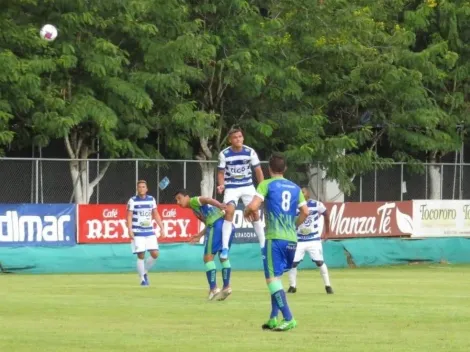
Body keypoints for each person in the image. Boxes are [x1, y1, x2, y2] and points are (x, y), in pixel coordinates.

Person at [244, 153, 309, 332]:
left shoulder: (266, 184)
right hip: (291, 240)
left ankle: (289, 318)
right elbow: (305, 212)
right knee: (278, 279)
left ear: (269, 169)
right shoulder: (296, 187)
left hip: (274, 238)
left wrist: (246, 211)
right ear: (285, 168)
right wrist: (293, 225)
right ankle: (273, 318)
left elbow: (254, 205)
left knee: (271, 279)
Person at [174, 189, 235, 301]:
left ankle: (214, 289)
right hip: (227, 226)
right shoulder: (194, 210)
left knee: (207, 258)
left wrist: (219, 205)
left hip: (217, 226)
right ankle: (226, 287)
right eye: (176, 200)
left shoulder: (193, 201)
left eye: (179, 198)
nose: (178, 202)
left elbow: (206, 199)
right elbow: (208, 221)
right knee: (223, 257)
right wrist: (200, 235)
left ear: (186, 196)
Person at [217, 127, 265, 259]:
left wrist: (262, 189)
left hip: (247, 186)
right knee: (229, 211)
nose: (238, 139)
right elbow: (220, 173)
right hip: (231, 187)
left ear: (243, 138)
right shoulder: (224, 154)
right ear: (230, 140)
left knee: (255, 212)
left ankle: (263, 246)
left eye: (240, 136)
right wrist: (221, 185)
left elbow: (258, 171)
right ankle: (225, 248)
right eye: (235, 137)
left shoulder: (250, 152)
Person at [287, 187, 334, 294]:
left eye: (303, 192)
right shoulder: (294, 206)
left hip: (313, 239)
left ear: (308, 194)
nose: (301, 194)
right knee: (293, 263)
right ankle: (292, 286)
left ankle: (328, 286)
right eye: (300, 192)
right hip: (298, 240)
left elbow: (326, 214)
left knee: (320, 262)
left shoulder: (316, 204)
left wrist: (327, 232)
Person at [127, 180, 166, 286]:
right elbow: (129, 216)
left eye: (143, 187)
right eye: (139, 187)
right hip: (137, 231)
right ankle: (142, 279)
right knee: (141, 255)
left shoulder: (151, 199)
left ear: (146, 189)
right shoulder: (132, 200)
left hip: (149, 231)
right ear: (137, 189)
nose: (141, 189)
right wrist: (130, 229)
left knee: (155, 254)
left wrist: (161, 227)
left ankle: (144, 271)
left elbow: (156, 214)